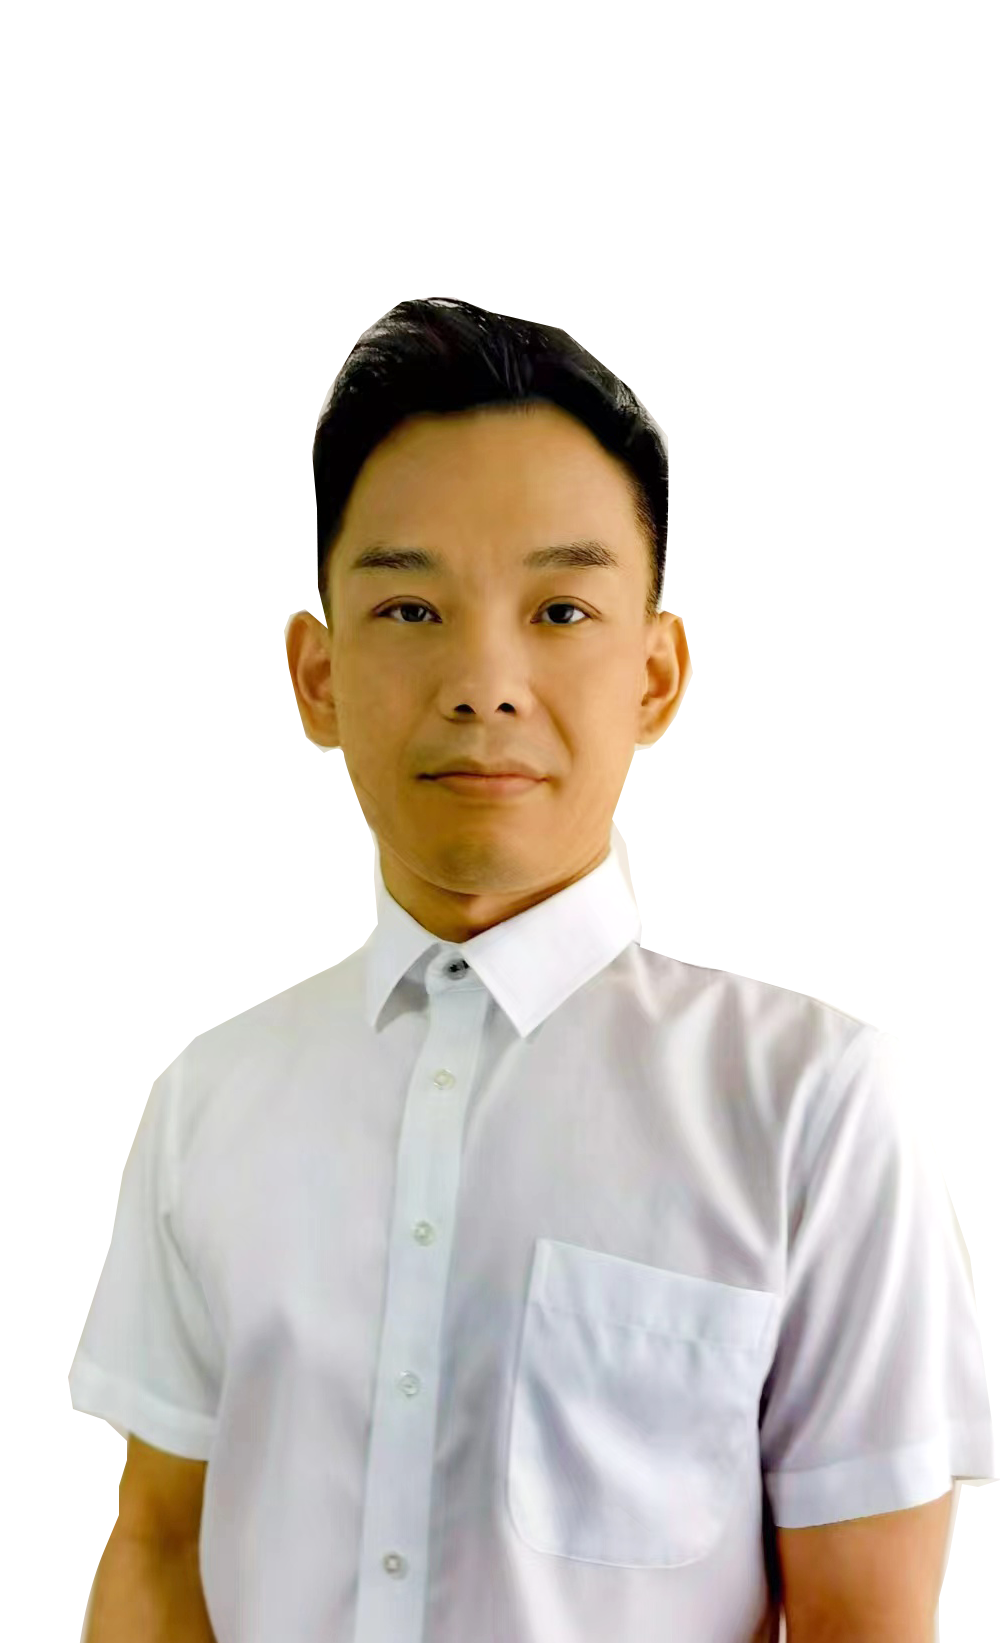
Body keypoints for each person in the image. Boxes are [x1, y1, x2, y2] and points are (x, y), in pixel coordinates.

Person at [70, 297, 996, 1642]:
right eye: (409, 607)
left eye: (561, 608)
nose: (484, 681)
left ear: (656, 676)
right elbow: (158, 1549)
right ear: (315, 677)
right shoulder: (210, 1099)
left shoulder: (814, 1102)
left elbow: (866, 1616)